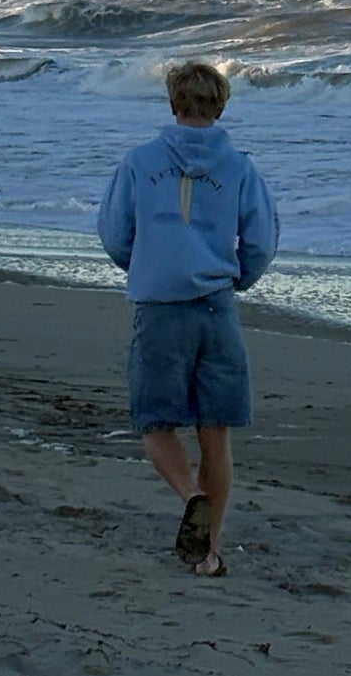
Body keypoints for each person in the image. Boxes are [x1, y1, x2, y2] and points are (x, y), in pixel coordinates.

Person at [97, 58, 279, 578]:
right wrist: (238, 277)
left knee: (155, 423)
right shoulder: (240, 166)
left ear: (174, 104)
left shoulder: (139, 161)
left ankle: (190, 494)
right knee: (215, 432)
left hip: (161, 304)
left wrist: (148, 265)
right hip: (216, 304)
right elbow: (262, 239)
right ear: (220, 107)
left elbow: (115, 233)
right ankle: (210, 551)